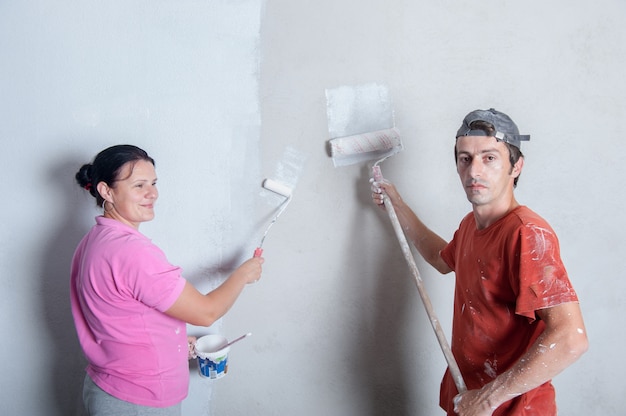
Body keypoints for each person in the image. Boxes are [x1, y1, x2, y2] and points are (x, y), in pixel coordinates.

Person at [371, 109, 588, 416]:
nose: (474, 171)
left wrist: (486, 400)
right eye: (465, 159)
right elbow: (440, 258)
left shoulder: (526, 234)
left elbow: (571, 338)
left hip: (511, 409)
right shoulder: (470, 226)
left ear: (516, 166)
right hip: (468, 398)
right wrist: (397, 204)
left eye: (489, 158)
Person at [71, 144, 263, 415]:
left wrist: (171, 345)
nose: (152, 194)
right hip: (137, 399)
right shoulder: (133, 253)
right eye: (139, 185)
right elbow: (206, 313)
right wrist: (243, 274)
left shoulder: (94, 240)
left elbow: (118, 316)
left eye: (153, 183)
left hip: (109, 387)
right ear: (106, 191)